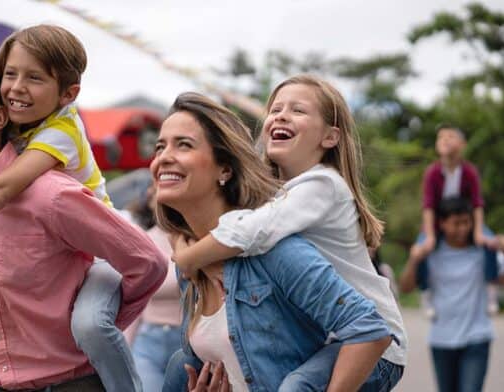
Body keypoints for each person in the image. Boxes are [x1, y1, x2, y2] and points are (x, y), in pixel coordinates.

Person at [0, 55, 167, 391]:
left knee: (91, 325)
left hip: (70, 382)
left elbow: (149, 262)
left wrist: (98, 327)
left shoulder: (49, 190)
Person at [169, 75, 407, 388]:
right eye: (276, 109)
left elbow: (252, 231)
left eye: (298, 110)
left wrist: (188, 258)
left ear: (330, 137)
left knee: (297, 387)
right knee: (179, 364)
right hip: (322, 334)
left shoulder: (323, 185)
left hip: (372, 343)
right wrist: (180, 235)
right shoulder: (276, 195)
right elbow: (220, 220)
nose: (281, 115)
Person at [399, 197, 504, 392]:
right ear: (442, 223)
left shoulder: (483, 251)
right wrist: (414, 260)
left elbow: (503, 280)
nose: (463, 229)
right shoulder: (431, 253)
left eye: (467, 222)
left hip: (477, 337)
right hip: (441, 339)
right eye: (456, 223)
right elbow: (406, 287)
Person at [419, 124, 499, 316]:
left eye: (450, 136)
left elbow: (477, 204)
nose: (445, 140)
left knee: (490, 243)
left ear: (462, 145)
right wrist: (429, 235)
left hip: (466, 222)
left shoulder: (470, 172)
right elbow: (428, 207)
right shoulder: (432, 173)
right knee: (420, 249)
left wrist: (479, 231)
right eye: (441, 137)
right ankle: (426, 293)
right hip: (440, 223)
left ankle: (491, 291)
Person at [123, 184, 182, 392]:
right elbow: (132, 302)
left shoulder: (196, 240)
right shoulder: (141, 241)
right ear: (149, 199)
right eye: (156, 191)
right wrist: (124, 351)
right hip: (148, 340)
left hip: (187, 342)